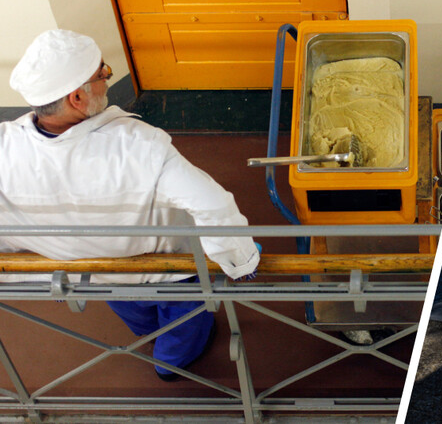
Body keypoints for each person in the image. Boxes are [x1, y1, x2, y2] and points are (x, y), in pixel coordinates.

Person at [1, 29, 260, 381]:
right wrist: (240, 258)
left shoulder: (5, 148)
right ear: (77, 97)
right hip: (170, 268)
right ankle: (173, 362)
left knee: (139, 316)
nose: (108, 79)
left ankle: (151, 338)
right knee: (186, 320)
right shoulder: (139, 146)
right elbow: (213, 205)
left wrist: (44, 273)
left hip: (96, 275)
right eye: (102, 74)